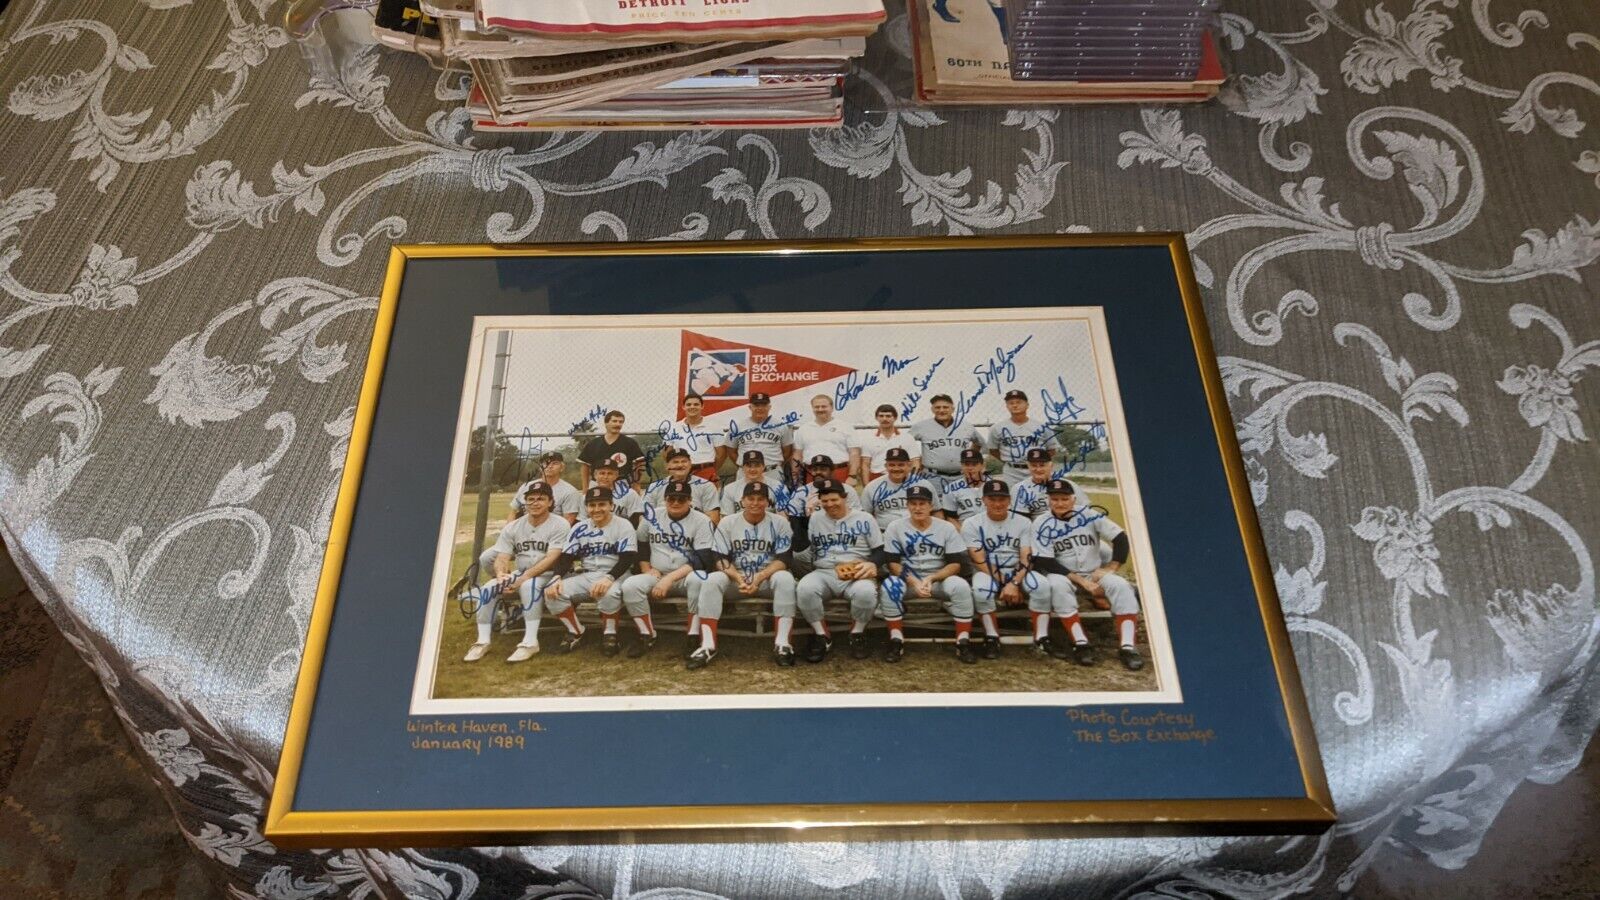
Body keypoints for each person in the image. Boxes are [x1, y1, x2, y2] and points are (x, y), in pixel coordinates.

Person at [1029, 479, 1144, 671]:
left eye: (1064, 498)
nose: (1059, 503)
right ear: (1048, 500)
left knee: (1122, 586)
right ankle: (1080, 643)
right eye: (1054, 499)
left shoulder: (1089, 515)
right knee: (1057, 586)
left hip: (1093, 571)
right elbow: (1045, 561)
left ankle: (1128, 647)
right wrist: (1082, 582)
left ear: (1073, 499)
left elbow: (1120, 538)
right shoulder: (1040, 522)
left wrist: (1111, 568)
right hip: (1062, 574)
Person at [464, 482, 570, 663]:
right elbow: (502, 557)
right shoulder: (513, 526)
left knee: (529, 586)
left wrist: (522, 578)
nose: (535, 503)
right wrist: (501, 575)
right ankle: (482, 641)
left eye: (541, 499)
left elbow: (552, 557)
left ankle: (530, 642)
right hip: (522, 571)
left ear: (550, 502)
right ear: (524, 502)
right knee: (489, 588)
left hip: (551, 574)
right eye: (531, 499)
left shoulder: (560, 524)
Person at [697, 482, 798, 668]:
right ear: (742, 500)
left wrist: (760, 576)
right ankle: (707, 645)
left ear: (768, 502)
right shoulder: (728, 522)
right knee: (712, 579)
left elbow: (784, 559)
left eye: (761, 499)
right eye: (750, 498)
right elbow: (719, 557)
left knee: (785, 578)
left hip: (767, 577)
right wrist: (737, 577)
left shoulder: (780, 522)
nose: (755, 503)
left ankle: (783, 643)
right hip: (737, 577)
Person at [543, 487, 648, 657]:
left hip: (618, 574)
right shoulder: (580, 527)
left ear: (611, 505)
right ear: (586, 508)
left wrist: (609, 578)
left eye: (602, 504)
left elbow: (627, 558)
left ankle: (610, 633)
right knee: (552, 592)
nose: (597, 509)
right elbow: (566, 556)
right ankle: (576, 631)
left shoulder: (623, 525)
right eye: (592, 505)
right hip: (588, 574)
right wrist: (556, 577)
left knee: (609, 592)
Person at [880, 486, 977, 664]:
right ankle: (896, 640)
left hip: (939, 579)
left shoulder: (946, 527)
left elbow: (956, 564)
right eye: (913, 503)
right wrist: (915, 581)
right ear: (907, 505)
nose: (918, 508)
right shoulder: (895, 527)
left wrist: (932, 578)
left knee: (961, 586)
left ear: (930, 505)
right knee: (890, 586)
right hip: (909, 580)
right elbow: (893, 563)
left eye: (922, 503)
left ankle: (963, 641)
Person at [621, 481, 715, 664]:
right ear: (664, 499)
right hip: (656, 574)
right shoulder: (652, 516)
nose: (676, 502)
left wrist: (670, 579)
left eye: (682, 499)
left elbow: (702, 558)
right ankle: (647, 634)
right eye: (671, 498)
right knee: (630, 586)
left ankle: (693, 635)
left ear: (690, 500)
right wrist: (646, 568)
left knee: (699, 580)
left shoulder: (702, 520)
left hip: (685, 575)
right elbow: (640, 544)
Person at [796, 480, 887, 662]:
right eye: (825, 500)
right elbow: (803, 548)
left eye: (834, 499)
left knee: (866, 592)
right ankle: (822, 636)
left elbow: (881, 550)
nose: (830, 504)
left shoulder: (864, 518)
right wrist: (804, 518)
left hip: (856, 571)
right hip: (825, 571)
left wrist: (872, 564)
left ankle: (857, 633)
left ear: (845, 498)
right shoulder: (816, 518)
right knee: (805, 589)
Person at [960, 479, 1041, 660]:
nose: (997, 503)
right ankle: (991, 636)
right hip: (986, 570)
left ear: (1009, 500)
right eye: (992, 499)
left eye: (1002, 499)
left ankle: (1042, 637)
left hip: (1018, 569)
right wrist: (1007, 583)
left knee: (1041, 586)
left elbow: (1026, 557)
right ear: (983, 500)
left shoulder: (1023, 522)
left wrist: (1015, 582)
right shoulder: (972, 523)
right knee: (981, 590)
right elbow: (979, 560)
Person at [985, 390, 1061, 486]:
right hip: (1012, 471)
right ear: (1007, 406)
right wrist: (1009, 460)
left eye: (1019, 402)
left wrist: (1039, 463)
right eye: (1011, 403)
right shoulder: (997, 428)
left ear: (1027, 405)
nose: (1015, 405)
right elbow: (993, 450)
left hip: (1036, 470)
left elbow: (1052, 450)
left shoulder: (1041, 427)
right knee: (1013, 498)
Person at [909, 394, 981, 489]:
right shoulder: (921, 426)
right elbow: (905, 443)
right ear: (932, 409)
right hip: (933, 476)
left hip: (961, 476)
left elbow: (979, 443)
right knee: (935, 503)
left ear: (952, 409)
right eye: (937, 407)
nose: (941, 410)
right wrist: (916, 459)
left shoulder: (966, 426)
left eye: (945, 407)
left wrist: (971, 459)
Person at [720, 392, 792, 477]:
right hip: (746, 472)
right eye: (756, 405)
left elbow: (787, 451)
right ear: (750, 407)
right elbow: (731, 451)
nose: (760, 408)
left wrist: (774, 465)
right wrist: (744, 466)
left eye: (764, 405)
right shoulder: (738, 426)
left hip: (772, 472)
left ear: (769, 407)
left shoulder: (781, 426)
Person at [864, 447, 938, 529]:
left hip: (918, 533)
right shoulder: (873, 487)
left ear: (909, 465)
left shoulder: (924, 484)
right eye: (892, 465)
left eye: (901, 465)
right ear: (886, 466)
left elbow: (937, 511)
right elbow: (864, 516)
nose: (896, 468)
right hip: (884, 532)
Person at [791, 394, 857, 484]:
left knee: (838, 498)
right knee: (813, 498)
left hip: (838, 471)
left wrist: (852, 476)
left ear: (832, 407)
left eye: (824, 406)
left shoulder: (845, 427)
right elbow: (797, 454)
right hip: (812, 473)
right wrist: (795, 476)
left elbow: (854, 453)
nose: (820, 409)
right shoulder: (803, 429)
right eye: (816, 407)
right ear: (812, 408)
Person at [643, 448, 720, 523]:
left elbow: (713, 518)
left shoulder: (706, 486)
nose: (680, 465)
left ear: (690, 464)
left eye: (684, 461)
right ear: (667, 466)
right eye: (675, 462)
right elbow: (645, 517)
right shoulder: (654, 487)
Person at [662, 392, 724, 484]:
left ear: (702, 406)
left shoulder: (714, 427)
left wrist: (711, 469)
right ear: (683, 407)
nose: (692, 407)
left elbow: (721, 454)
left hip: (706, 471)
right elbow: (666, 453)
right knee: (681, 498)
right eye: (688, 404)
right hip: (681, 472)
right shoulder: (673, 428)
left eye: (696, 404)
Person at [507, 451, 581, 525]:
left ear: (562, 467)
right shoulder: (526, 486)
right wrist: (509, 531)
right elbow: (513, 512)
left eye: (555, 463)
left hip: (552, 532)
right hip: (524, 530)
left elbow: (567, 522)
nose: (549, 466)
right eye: (545, 463)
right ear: (540, 467)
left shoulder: (570, 491)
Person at [579, 410, 646, 487]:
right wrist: (585, 487)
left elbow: (639, 464)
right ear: (606, 423)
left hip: (622, 484)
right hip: (597, 483)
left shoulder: (630, 443)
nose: (618, 424)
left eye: (621, 422)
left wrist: (637, 485)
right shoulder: (593, 444)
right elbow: (585, 466)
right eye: (614, 421)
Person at [855, 404, 921, 483]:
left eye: (888, 416)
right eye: (881, 416)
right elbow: (865, 465)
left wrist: (911, 481)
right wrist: (866, 485)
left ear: (895, 418)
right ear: (876, 418)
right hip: (876, 477)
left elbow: (915, 462)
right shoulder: (868, 439)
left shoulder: (907, 437)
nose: (884, 419)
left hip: (901, 476)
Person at [719, 450, 787, 518]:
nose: (752, 469)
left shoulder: (778, 487)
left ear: (763, 467)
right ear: (743, 468)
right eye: (749, 466)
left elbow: (783, 519)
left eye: (757, 466)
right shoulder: (729, 489)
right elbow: (727, 520)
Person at [940, 448, 989, 524]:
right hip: (964, 530)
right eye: (966, 464)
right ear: (961, 466)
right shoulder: (951, 488)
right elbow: (951, 518)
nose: (970, 468)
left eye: (974, 464)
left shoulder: (993, 485)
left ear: (982, 465)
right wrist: (963, 534)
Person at [591, 459, 644, 526]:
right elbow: (582, 519)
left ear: (616, 475)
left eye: (610, 473)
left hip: (621, 533)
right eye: (602, 473)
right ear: (595, 475)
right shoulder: (587, 496)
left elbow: (637, 518)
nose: (605, 477)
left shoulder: (629, 494)